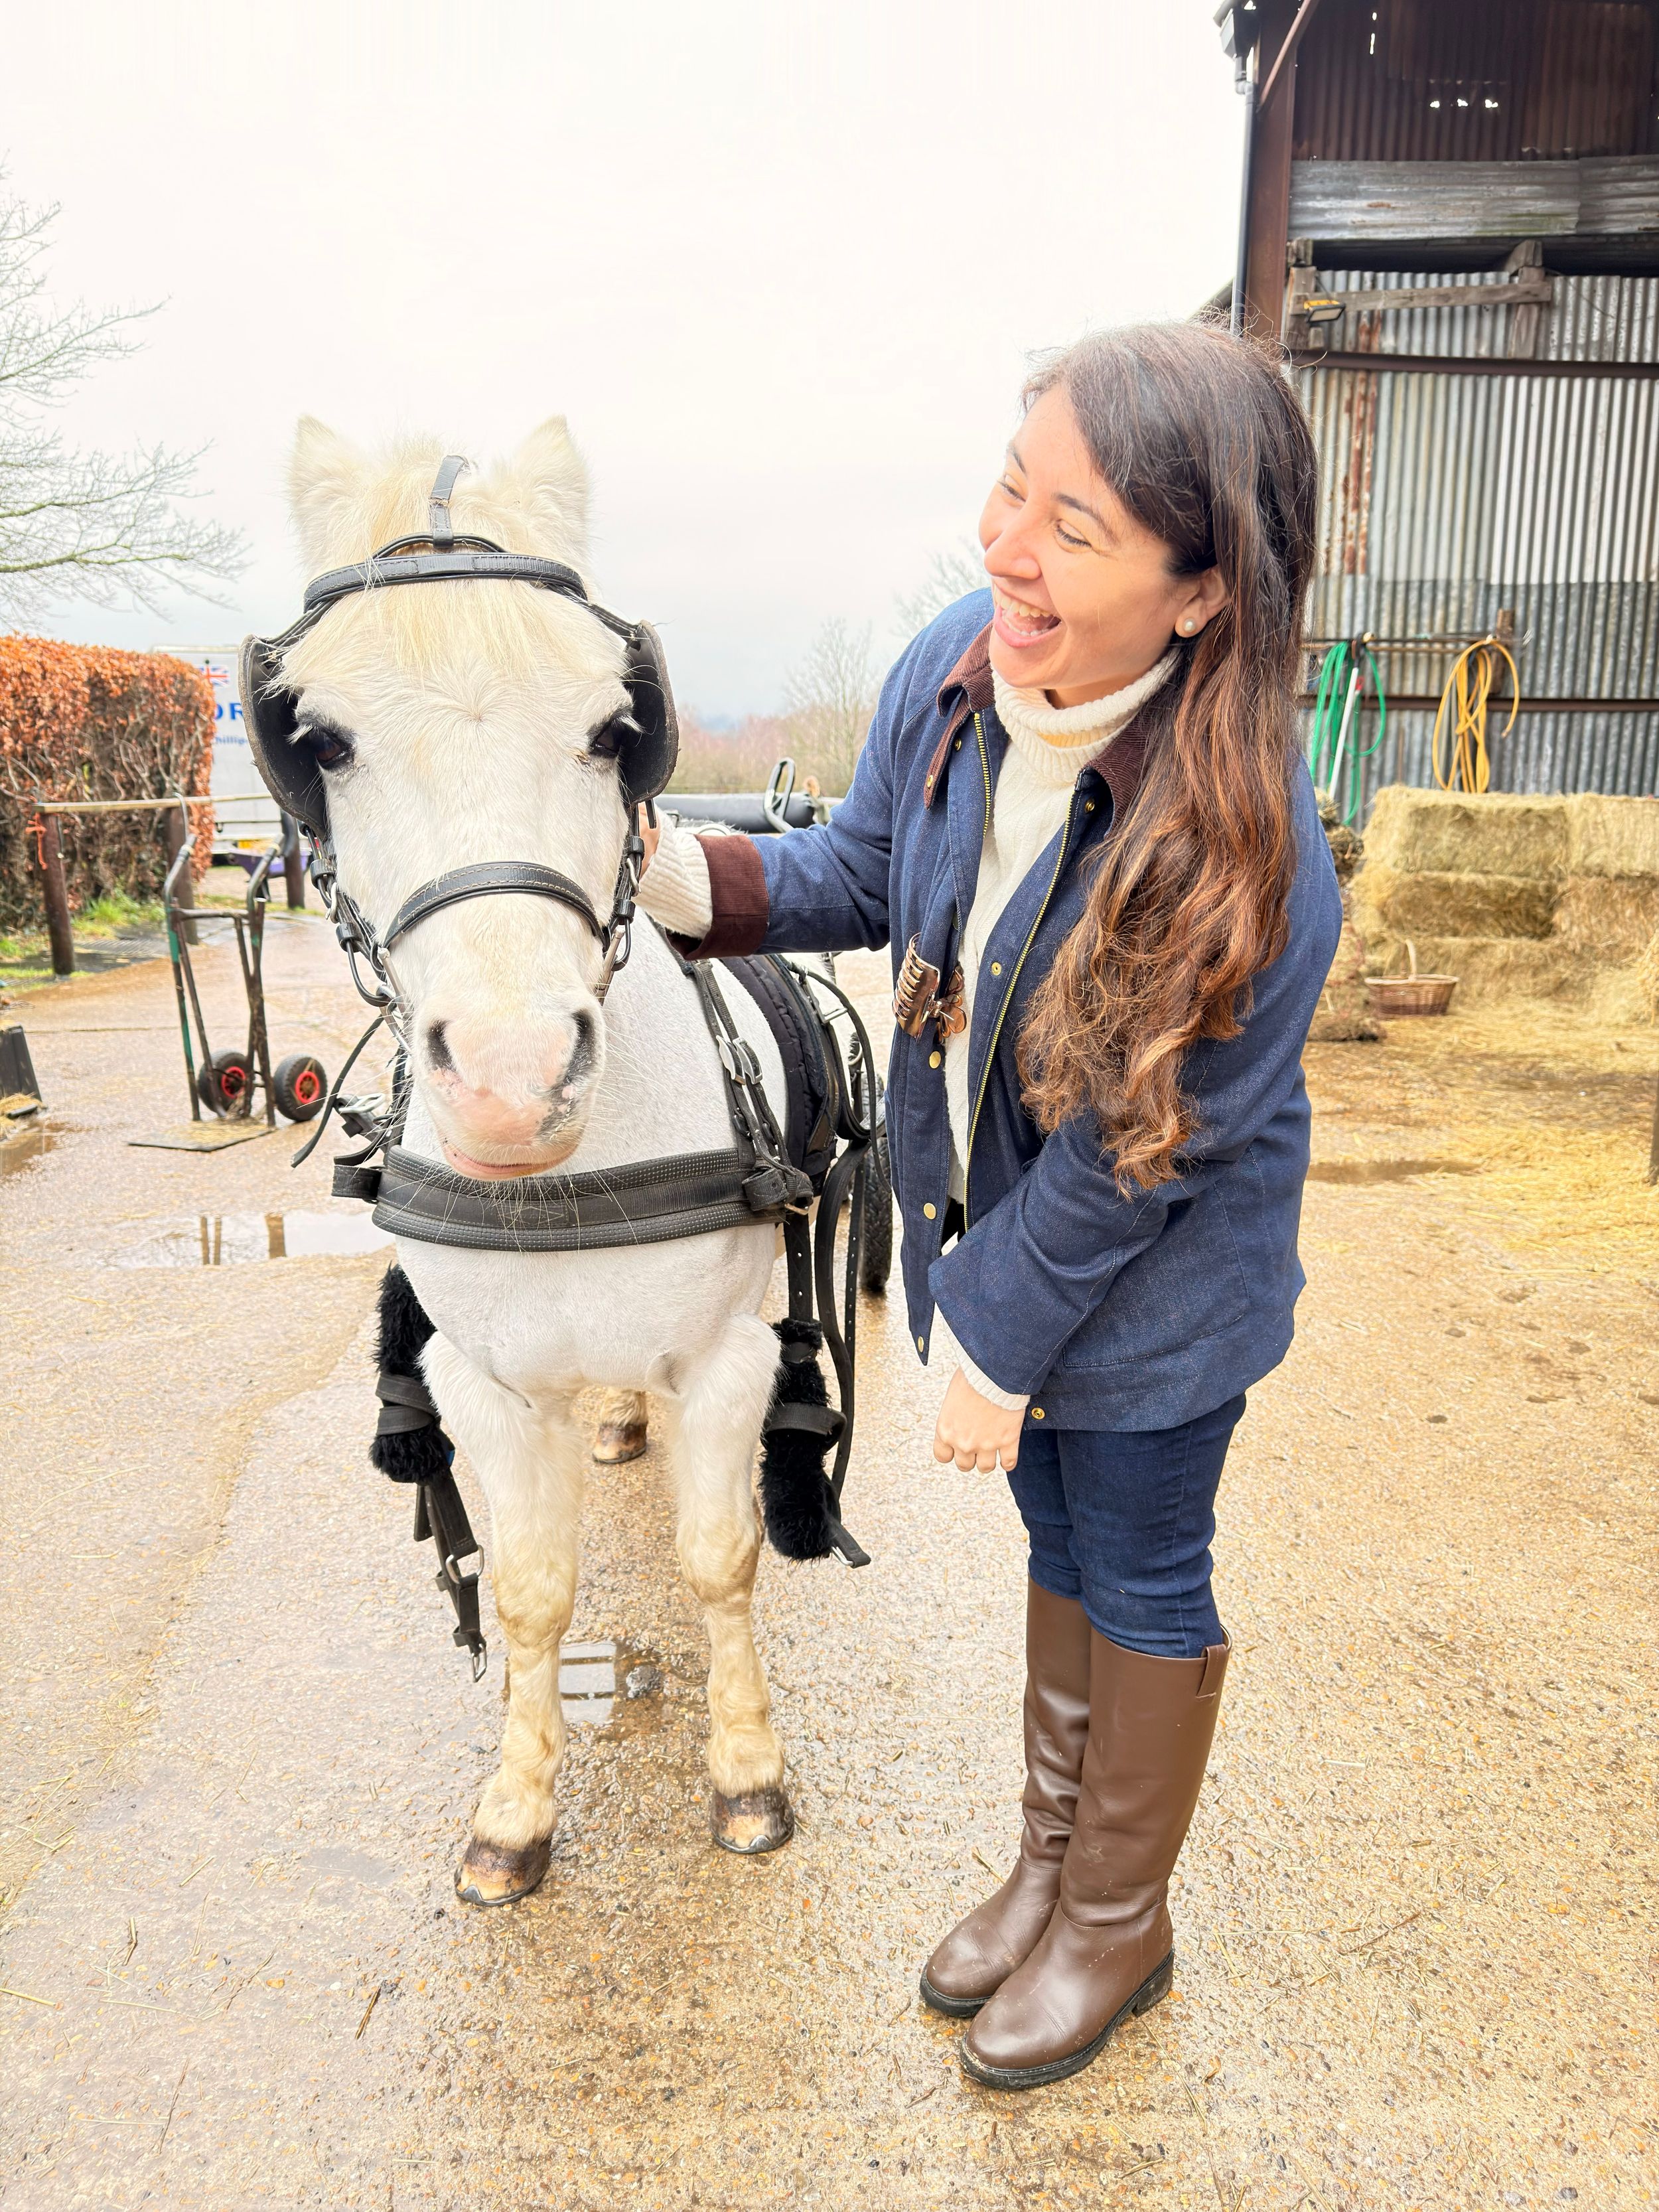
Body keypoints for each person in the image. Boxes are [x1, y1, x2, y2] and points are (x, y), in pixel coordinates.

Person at [636, 322, 1341, 2091]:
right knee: (1055, 1544)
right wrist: (672, 875)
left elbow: (1138, 1145)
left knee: (1141, 1558)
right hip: (1005, 1221)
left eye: (1073, 526)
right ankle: (1047, 1870)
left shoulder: (1247, 841)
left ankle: (1120, 1921)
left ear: (1198, 592)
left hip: (1163, 1274)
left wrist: (998, 1344)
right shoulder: (958, 664)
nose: (1003, 549)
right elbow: (869, 867)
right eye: (1007, 489)